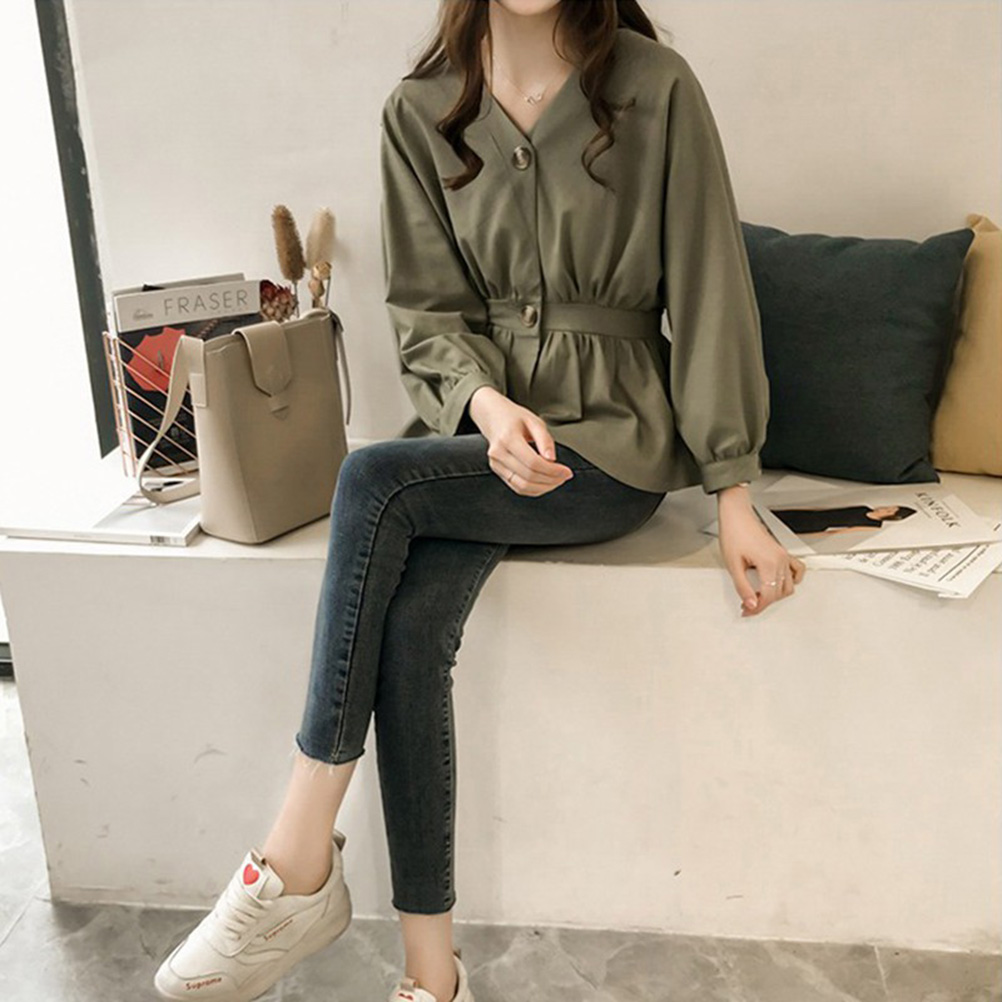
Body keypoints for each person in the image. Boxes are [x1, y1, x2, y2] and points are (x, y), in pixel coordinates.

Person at [154, 2, 806, 1001]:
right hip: (480, 439)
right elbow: (424, 309)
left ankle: (292, 864)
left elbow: (711, 285)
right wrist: (487, 407)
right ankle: (432, 981)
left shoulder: (654, 87)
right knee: (412, 630)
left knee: (369, 479)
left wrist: (732, 486)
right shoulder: (419, 110)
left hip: (611, 447)